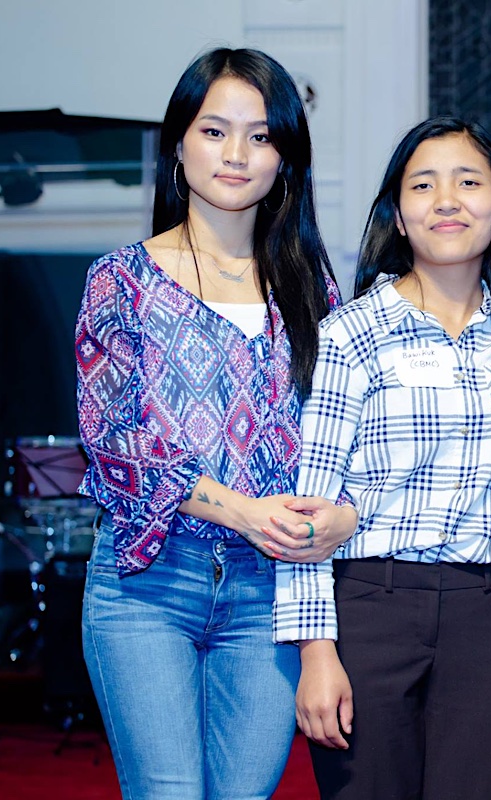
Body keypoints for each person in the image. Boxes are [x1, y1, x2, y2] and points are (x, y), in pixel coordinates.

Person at [76, 48, 347, 798]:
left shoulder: (314, 289)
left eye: (261, 136)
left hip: (269, 592)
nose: (236, 154)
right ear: (178, 144)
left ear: (285, 158)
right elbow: (115, 444)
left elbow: (338, 442)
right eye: (214, 130)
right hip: (147, 582)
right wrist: (244, 512)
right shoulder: (121, 280)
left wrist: (342, 516)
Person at [273, 116, 491, 800]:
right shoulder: (350, 334)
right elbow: (309, 506)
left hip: (490, 613)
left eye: (468, 182)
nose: (447, 200)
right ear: (398, 216)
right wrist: (315, 652)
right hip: (371, 605)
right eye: (423, 185)